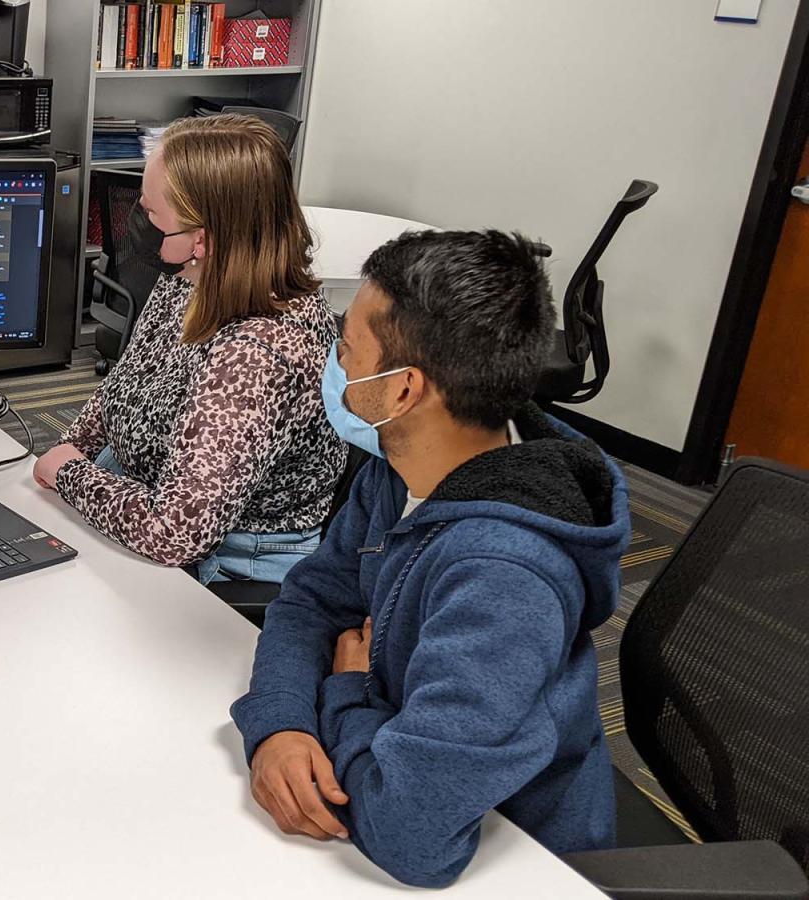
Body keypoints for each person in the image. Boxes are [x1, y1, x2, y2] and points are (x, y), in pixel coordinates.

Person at [230, 229, 630, 887]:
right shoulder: (401, 463)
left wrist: (346, 692)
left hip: (520, 862)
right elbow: (312, 599)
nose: (337, 360)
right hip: (396, 765)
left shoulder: (504, 579)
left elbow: (412, 838)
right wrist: (281, 725)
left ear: (404, 389)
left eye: (348, 348)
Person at [32, 114, 345, 584]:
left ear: (203, 239)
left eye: (153, 215)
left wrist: (71, 475)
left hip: (229, 551)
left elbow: (177, 533)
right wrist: (71, 448)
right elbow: (128, 380)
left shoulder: (259, 352)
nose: (139, 223)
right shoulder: (191, 276)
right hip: (142, 486)